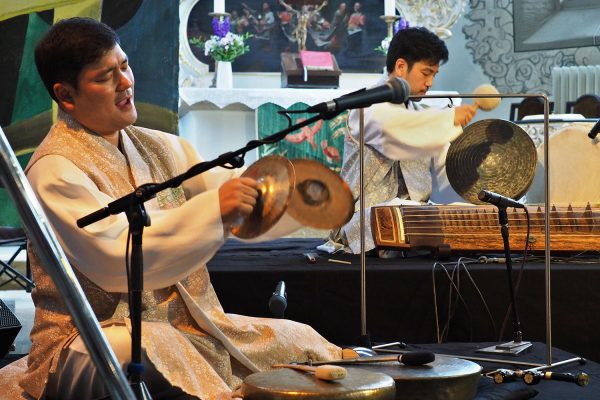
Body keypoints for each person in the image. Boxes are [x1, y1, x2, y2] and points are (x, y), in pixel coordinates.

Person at [22, 17, 341, 400]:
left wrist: (286, 196)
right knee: (143, 347)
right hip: (87, 334)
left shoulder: (158, 146)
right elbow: (113, 258)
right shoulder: (53, 169)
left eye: (125, 66)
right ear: (66, 95)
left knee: (298, 338)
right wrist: (214, 211)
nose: (126, 83)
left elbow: (232, 196)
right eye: (106, 76)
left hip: (189, 325)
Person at [328, 27, 478, 255]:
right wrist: (447, 120)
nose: (430, 83)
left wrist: (477, 194)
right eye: (426, 73)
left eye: (434, 75)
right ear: (400, 67)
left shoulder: (419, 113)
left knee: (450, 216)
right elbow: (397, 132)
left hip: (415, 217)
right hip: (363, 218)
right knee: (395, 213)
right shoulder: (367, 105)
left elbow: (444, 169)